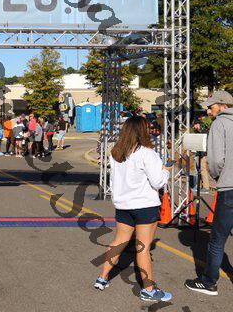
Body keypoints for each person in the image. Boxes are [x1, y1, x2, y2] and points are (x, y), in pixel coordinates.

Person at [94, 116, 173, 302]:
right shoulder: (147, 153)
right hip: (145, 205)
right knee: (143, 248)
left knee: (118, 242)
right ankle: (149, 290)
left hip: (123, 205)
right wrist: (165, 170)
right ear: (142, 131)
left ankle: (102, 278)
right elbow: (158, 182)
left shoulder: (116, 152)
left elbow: (114, 181)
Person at [185, 91, 233, 296]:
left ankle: (209, 282)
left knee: (217, 239)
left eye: (211, 106)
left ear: (223, 105)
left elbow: (215, 160)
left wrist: (217, 175)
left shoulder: (220, 124)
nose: (208, 110)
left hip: (229, 187)